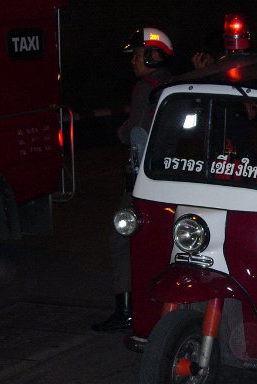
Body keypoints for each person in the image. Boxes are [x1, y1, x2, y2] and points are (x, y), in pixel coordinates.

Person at [92, 27, 173, 332]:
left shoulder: (146, 87)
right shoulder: (174, 84)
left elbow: (132, 132)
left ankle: (125, 310)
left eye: (139, 54)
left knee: (120, 240)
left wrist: (121, 131)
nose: (134, 61)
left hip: (142, 176)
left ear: (154, 55)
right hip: (168, 172)